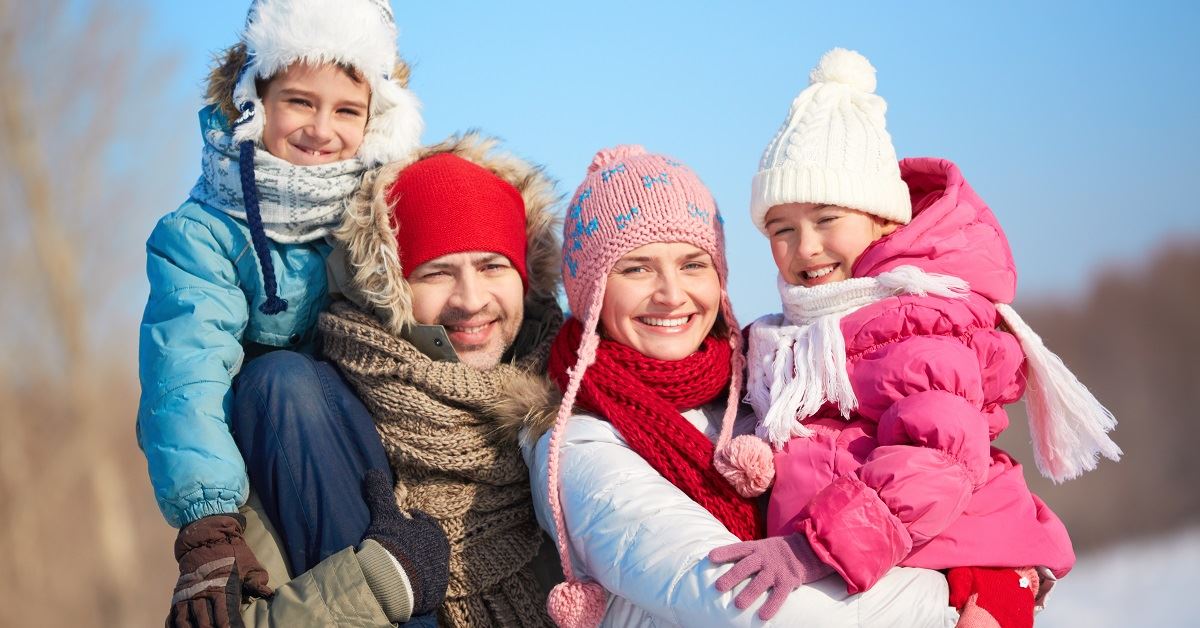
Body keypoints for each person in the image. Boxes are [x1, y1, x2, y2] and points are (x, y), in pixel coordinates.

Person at [712, 48, 1122, 627]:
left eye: (827, 220)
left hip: (955, 583)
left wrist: (812, 549)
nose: (804, 248)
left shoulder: (915, 322)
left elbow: (937, 458)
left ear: (884, 220)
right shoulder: (795, 339)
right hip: (875, 581)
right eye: (782, 229)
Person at [525, 145, 956, 627]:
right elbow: (757, 610)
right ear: (591, 294)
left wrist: (997, 576)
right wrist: (949, 591)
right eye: (637, 268)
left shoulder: (766, 393)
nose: (671, 295)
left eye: (692, 264)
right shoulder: (581, 445)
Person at [135, 0, 427, 623]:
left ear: (375, 122)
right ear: (253, 100)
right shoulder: (203, 234)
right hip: (280, 449)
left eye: (347, 110)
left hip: (380, 442)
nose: (322, 129)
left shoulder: (384, 212)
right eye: (300, 101)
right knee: (281, 377)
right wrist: (208, 521)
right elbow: (187, 372)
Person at [290, 133, 563, 626]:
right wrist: (374, 588)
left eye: (492, 266)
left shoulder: (577, 410)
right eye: (437, 273)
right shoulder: (325, 414)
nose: (471, 299)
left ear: (526, 277)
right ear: (391, 287)